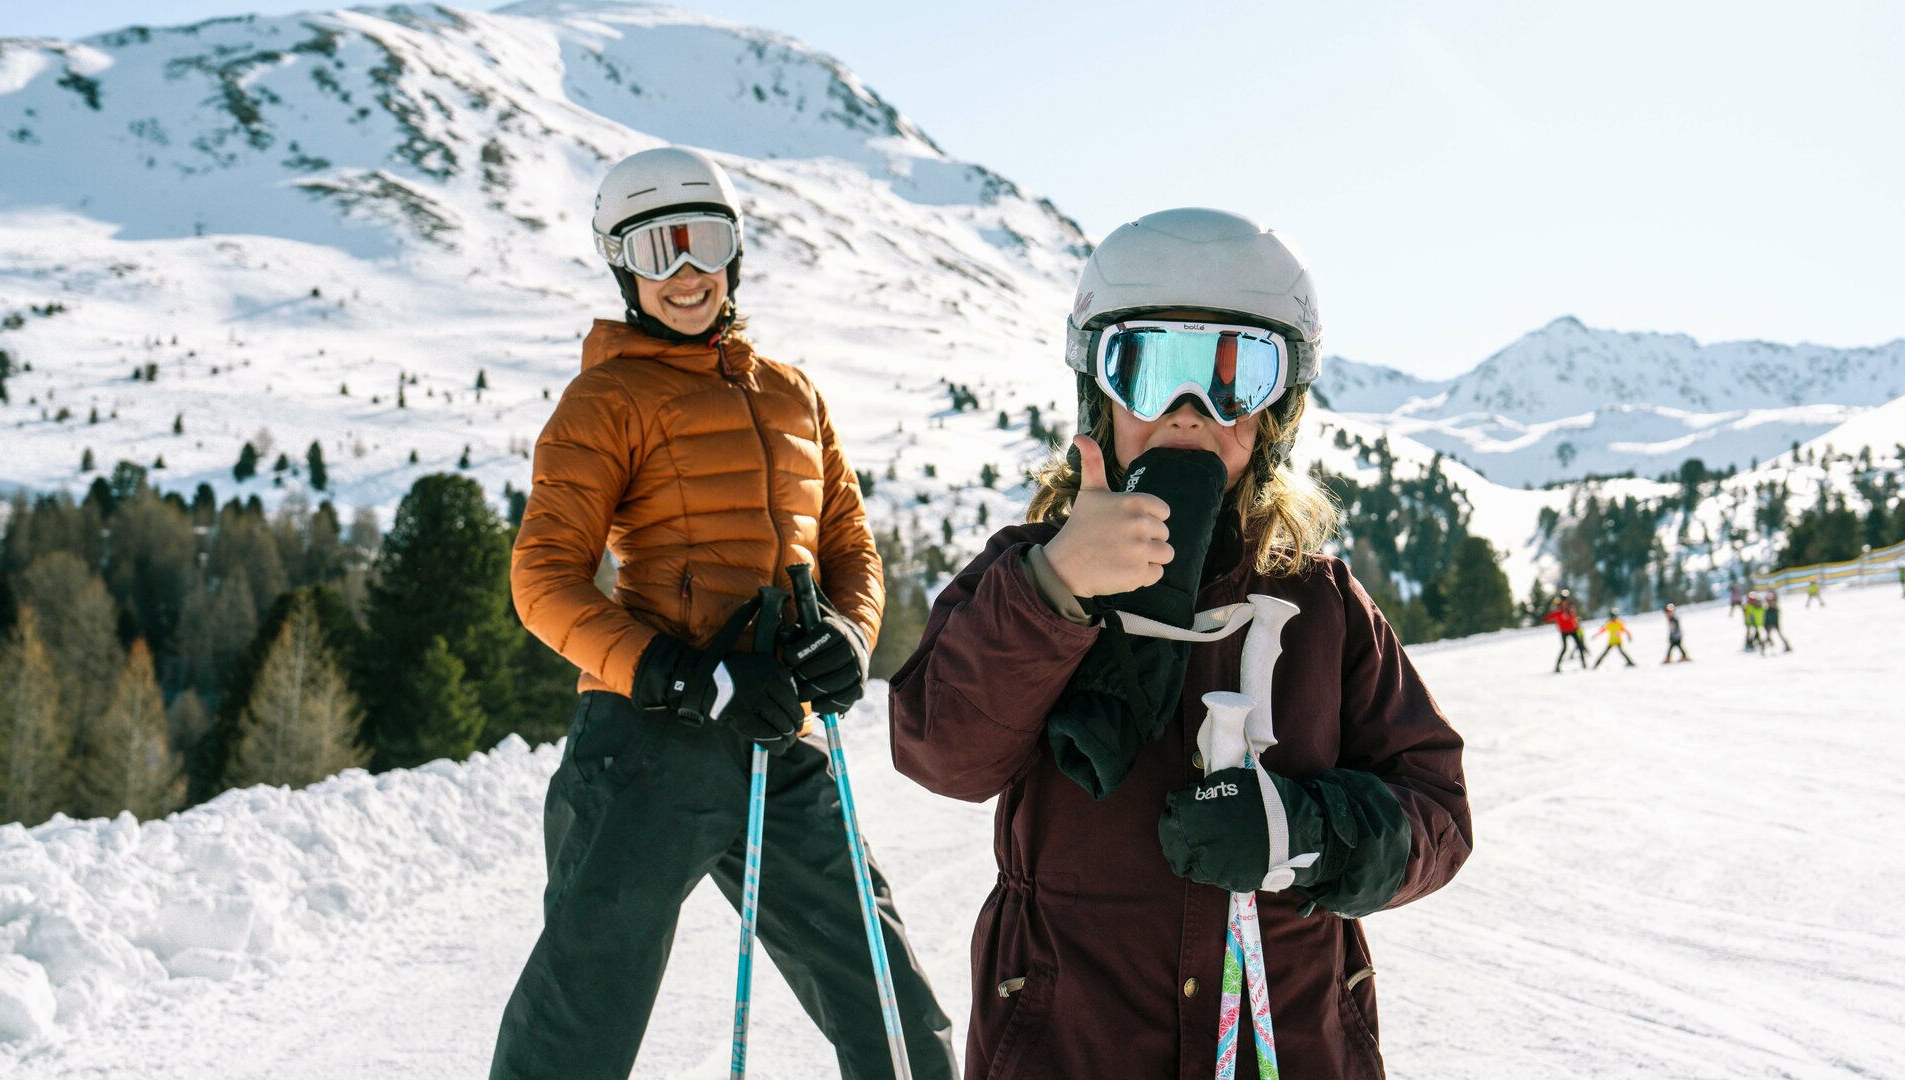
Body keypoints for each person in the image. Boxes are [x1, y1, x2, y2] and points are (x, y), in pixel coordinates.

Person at [887, 209, 1471, 1077]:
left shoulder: (1315, 599)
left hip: (1283, 1035)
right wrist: (1055, 588)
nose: (1189, 413)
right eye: (1148, 369)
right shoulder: (1022, 577)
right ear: (1097, 390)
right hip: (1070, 1039)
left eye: (1236, 376)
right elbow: (942, 754)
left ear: (1277, 415)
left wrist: (1305, 833)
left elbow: (1437, 813)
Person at [491, 147, 957, 1079]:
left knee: (888, 1004)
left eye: (704, 242)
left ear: (736, 251)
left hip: (780, 739)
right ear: (621, 266)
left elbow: (849, 549)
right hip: (646, 743)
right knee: (578, 1024)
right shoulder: (606, 399)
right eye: (655, 251)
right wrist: (682, 672)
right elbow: (543, 579)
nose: (685, 272)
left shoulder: (792, 393)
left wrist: (849, 638)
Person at [1545, 590, 1589, 673]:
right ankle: (1557, 667)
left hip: (1573, 630)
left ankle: (1584, 665)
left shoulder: (1570, 607)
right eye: (1563, 599)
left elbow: (1573, 617)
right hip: (1564, 631)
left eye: (1565, 599)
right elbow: (1549, 617)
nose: (1564, 600)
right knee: (1565, 648)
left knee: (1580, 646)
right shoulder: (1558, 609)